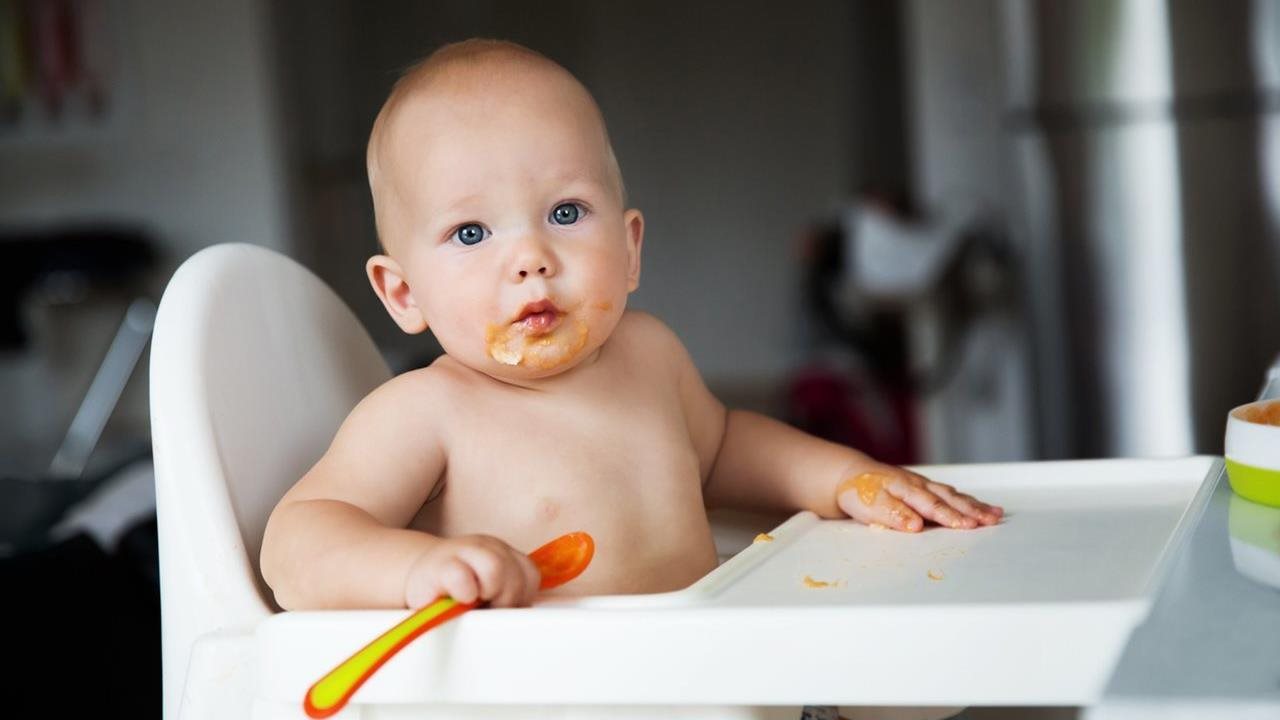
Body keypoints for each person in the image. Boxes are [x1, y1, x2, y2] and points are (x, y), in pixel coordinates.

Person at [260, 39, 1002, 615]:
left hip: (705, 681)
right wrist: (414, 571)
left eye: (565, 213)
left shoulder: (649, 354)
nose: (531, 259)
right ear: (402, 293)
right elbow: (296, 546)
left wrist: (843, 477)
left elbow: (721, 452)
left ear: (630, 245)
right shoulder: (427, 413)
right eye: (470, 233)